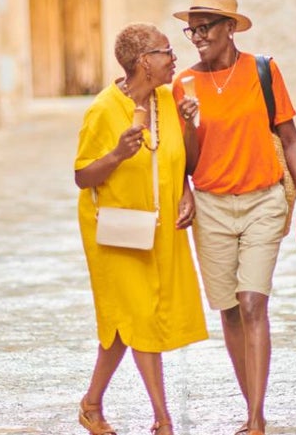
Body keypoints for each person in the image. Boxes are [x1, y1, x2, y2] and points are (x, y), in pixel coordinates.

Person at [171, 0, 296, 435]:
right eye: (191, 29)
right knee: (230, 310)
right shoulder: (184, 85)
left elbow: (289, 138)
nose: (197, 36)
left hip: (263, 201)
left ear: (230, 28)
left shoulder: (263, 71)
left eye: (206, 27)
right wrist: (188, 127)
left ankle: (256, 418)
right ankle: (248, 400)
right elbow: (187, 161)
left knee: (253, 301)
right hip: (212, 207)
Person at [74, 22, 208, 435]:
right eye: (166, 51)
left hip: (158, 225)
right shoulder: (102, 109)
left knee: (124, 324)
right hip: (115, 232)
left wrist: (187, 177)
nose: (174, 58)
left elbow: (182, 160)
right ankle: (163, 419)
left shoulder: (169, 100)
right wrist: (116, 154)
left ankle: (91, 404)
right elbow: (82, 176)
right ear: (143, 63)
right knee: (142, 318)